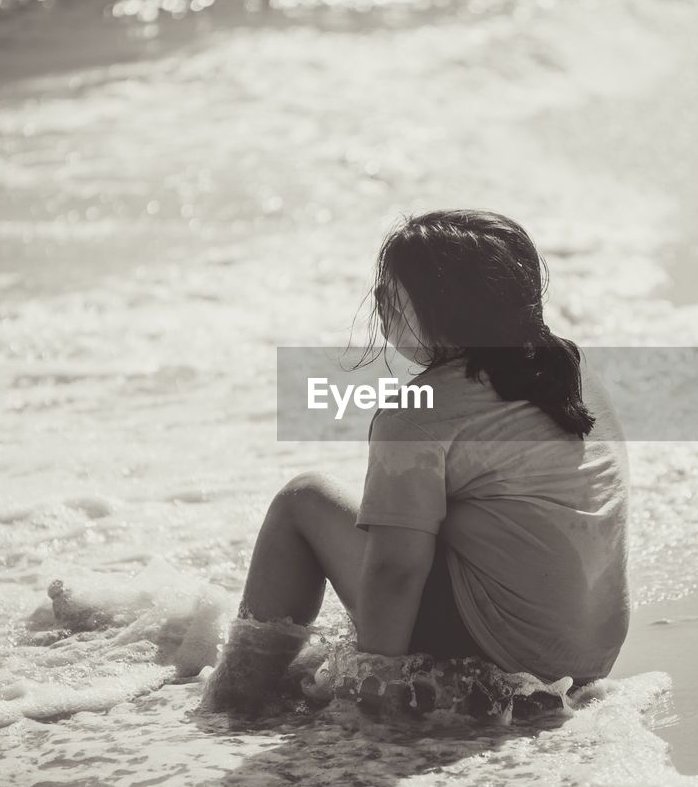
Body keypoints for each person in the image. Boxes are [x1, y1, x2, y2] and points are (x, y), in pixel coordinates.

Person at [201, 209, 629, 715]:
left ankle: (234, 701)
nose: (378, 301)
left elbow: (394, 571)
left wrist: (374, 695)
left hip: (502, 662)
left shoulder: (420, 415)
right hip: (589, 654)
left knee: (303, 501)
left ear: (444, 308)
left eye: (391, 291)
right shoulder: (567, 372)